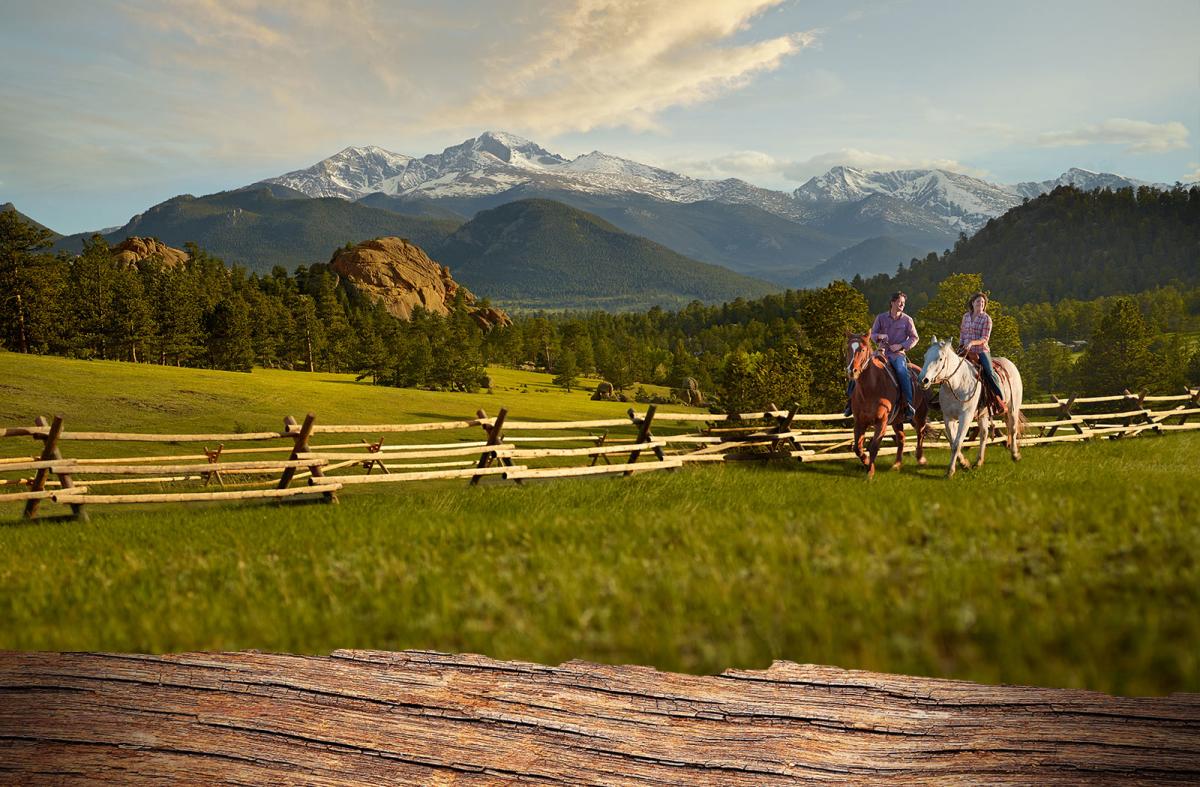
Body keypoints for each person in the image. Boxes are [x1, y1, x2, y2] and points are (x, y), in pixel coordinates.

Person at [844, 291, 919, 421]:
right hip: (880, 352)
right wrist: (879, 336)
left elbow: (914, 338)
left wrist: (900, 346)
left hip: (897, 354)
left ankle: (907, 405)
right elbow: (872, 335)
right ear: (892, 302)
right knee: (859, 367)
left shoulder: (907, 320)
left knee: (902, 372)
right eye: (900, 302)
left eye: (903, 303)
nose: (902, 305)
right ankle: (850, 401)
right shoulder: (881, 317)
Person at [959, 291, 1006, 415]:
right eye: (978, 301)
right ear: (972, 303)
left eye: (983, 302)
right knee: (948, 366)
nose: (981, 303)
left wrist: (972, 343)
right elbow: (963, 333)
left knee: (989, 372)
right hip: (965, 349)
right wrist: (961, 345)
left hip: (981, 350)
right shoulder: (966, 317)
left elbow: (985, 338)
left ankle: (1000, 399)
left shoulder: (986, 318)